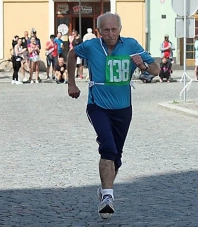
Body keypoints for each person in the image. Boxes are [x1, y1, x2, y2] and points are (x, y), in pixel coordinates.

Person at [67, 12, 160, 219]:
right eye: (106, 30)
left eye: (114, 29)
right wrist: (71, 83)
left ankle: (104, 189)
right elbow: (72, 54)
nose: (110, 34)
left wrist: (142, 65)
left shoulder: (131, 45)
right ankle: (108, 197)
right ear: (99, 31)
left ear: (120, 29)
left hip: (123, 108)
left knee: (116, 155)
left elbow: (156, 69)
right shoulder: (91, 46)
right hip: (97, 105)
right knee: (107, 147)